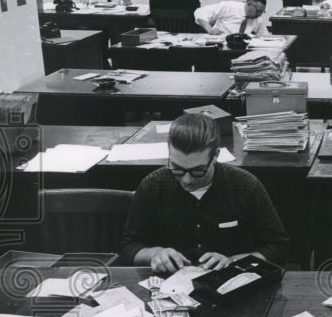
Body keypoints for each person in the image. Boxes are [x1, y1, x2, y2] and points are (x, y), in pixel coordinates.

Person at [119, 112, 288, 273]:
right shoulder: (153, 186)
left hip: (231, 284)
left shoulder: (244, 186)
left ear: (215, 155)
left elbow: (278, 247)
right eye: (177, 169)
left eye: (197, 170)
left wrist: (233, 261)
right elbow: (128, 248)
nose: (187, 180)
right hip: (167, 285)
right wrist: (155, 254)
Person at [194, 0, 270, 36]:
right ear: (249, 3)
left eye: (262, 12)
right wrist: (210, 29)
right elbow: (200, 11)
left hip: (244, 51)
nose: (260, 15)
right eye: (258, 11)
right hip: (222, 48)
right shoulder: (229, 7)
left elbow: (264, 36)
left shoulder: (258, 19)